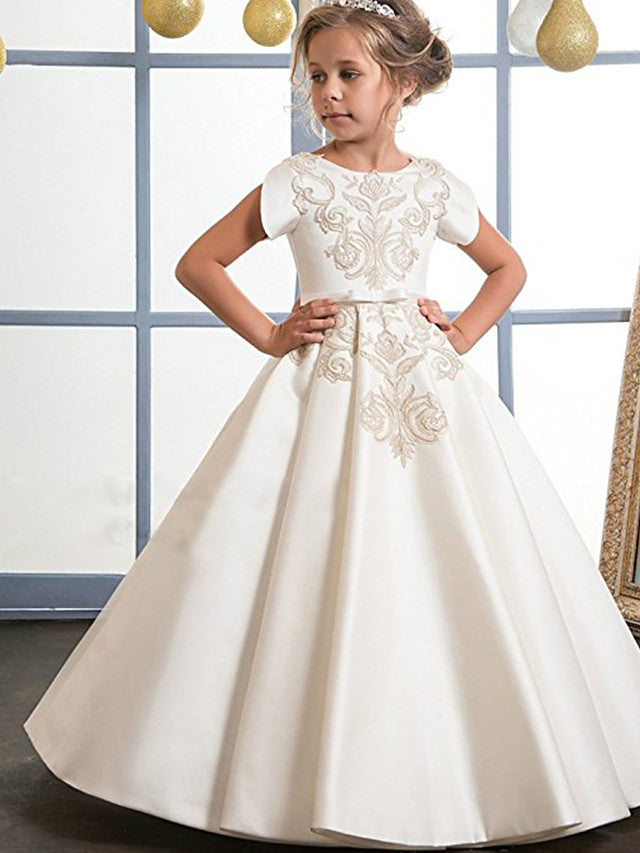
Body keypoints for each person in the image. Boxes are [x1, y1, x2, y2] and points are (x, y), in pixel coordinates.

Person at [23, 0, 640, 848]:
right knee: (291, 543)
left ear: (404, 83)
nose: (329, 93)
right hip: (322, 385)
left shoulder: (434, 185)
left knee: (454, 547)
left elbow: (507, 266)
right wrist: (270, 333)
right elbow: (200, 262)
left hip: (424, 393)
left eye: (349, 74)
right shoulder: (299, 179)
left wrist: (459, 332)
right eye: (316, 76)